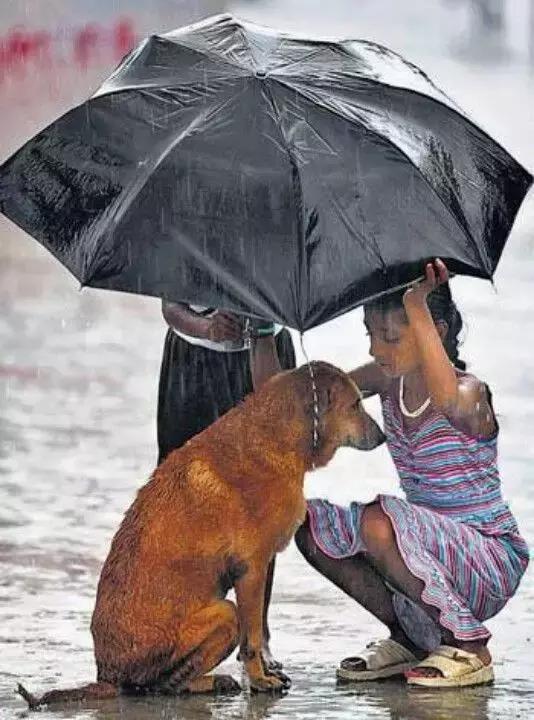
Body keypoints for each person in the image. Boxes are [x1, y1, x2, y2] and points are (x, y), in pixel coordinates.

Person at [251, 258, 529, 688]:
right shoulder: (385, 381)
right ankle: (410, 638)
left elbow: (447, 399)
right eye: (371, 334)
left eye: (391, 337)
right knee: (302, 521)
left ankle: (470, 646)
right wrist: (261, 329)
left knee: (380, 522)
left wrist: (416, 301)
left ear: (432, 332)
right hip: (420, 558)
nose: (376, 350)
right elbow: (286, 403)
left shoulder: (469, 392)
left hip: (486, 559)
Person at [157, 300, 296, 669]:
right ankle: (189, 628)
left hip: (266, 352)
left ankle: (257, 633)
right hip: (194, 361)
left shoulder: (279, 240)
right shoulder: (185, 239)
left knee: (265, 503)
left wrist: (264, 321)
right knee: (186, 501)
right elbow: (170, 305)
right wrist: (206, 328)